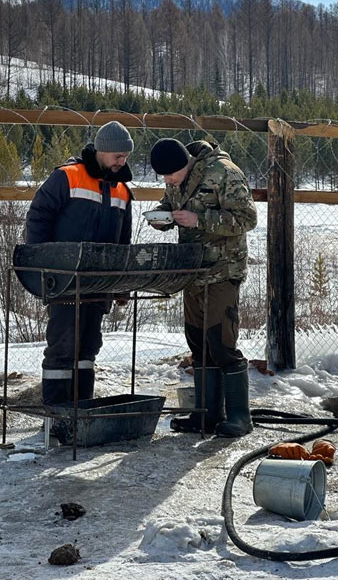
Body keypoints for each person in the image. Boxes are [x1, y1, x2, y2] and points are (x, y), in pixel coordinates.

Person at [149, 137, 257, 437]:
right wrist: (163, 217)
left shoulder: (224, 172)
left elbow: (247, 218)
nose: (169, 181)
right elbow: (171, 204)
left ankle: (239, 417)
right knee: (198, 343)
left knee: (221, 343)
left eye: (171, 175)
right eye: (164, 178)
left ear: (186, 161)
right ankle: (207, 417)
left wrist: (200, 220)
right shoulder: (176, 177)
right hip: (192, 271)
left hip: (222, 270)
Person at [25, 121, 134, 406]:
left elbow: (124, 240)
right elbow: (38, 218)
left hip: (99, 284)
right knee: (62, 347)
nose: (122, 161)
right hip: (64, 279)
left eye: (126, 156)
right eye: (117, 156)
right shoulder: (67, 177)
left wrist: (121, 283)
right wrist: (42, 266)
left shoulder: (122, 190)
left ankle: (82, 411)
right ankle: (57, 417)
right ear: (101, 150)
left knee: (88, 348)